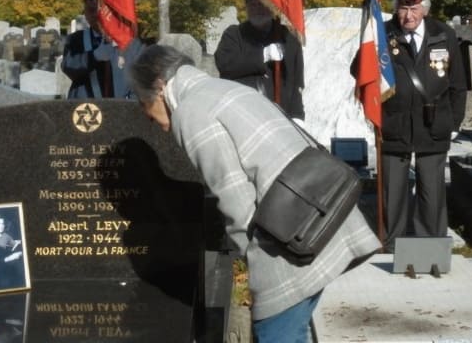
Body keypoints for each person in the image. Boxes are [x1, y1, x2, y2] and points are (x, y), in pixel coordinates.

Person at [129, 45, 379, 342]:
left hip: (286, 243)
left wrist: (249, 271)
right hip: (321, 216)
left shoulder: (191, 111)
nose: (148, 118)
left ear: (159, 87)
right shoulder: (223, 88)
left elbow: (235, 198)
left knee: (275, 332)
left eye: (141, 102)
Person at [381, 0, 467, 242]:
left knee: (431, 192)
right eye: (403, 9)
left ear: (425, 9)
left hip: (434, 124)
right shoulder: (383, 34)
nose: (409, 16)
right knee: (393, 192)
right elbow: (359, 72)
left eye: (414, 9)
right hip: (395, 125)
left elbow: (457, 83)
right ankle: (393, 248)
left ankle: (430, 248)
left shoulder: (443, 34)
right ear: (396, 8)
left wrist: (454, 123)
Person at [214, 0, 305, 119]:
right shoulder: (234, 35)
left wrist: (298, 116)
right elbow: (225, 66)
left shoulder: (288, 38)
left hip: (281, 117)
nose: (258, 9)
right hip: (243, 114)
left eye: (263, 4)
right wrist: (262, 55)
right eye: (253, 5)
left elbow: (296, 83)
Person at [61, 0, 142, 99]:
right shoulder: (76, 39)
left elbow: (140, 80)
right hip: (86, 108)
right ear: (85, 13)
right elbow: (68, 67)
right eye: (91, 10)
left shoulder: (131, 42)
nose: (96, 15)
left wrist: (129, 103)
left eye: (101, 11)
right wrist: (93, 56)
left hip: (121, 110)